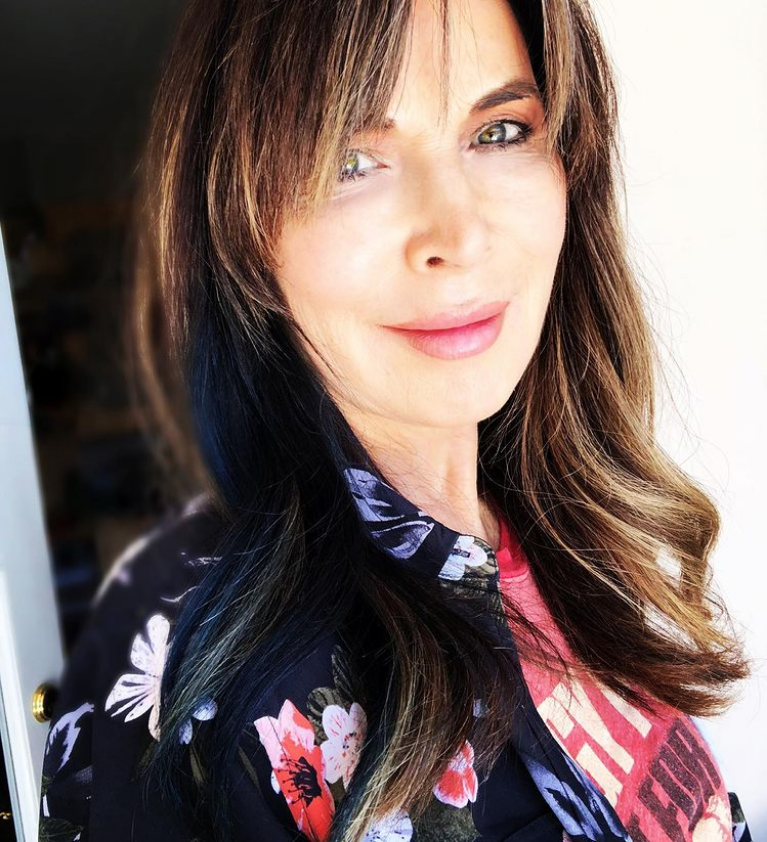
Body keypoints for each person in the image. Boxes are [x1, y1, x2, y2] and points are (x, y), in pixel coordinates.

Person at [38, 0, 753, 840]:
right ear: (239, 226)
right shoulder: (185, 663)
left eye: (498, 132)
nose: (457, 234)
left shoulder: (571, 533)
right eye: (351, 161)